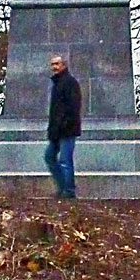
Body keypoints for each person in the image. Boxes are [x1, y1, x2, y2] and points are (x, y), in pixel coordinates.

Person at [45, 55, 82, 199]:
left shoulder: (70, 83)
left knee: (65, 161)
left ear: (64, 66)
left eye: (57, 64)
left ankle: (69, 191)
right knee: (49, 157)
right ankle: (63, 188)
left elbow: (73, 107)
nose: (54, 67)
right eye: (52, 64)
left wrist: (65, 125)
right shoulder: (57, 83)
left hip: (67, 130)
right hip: (56, 131)